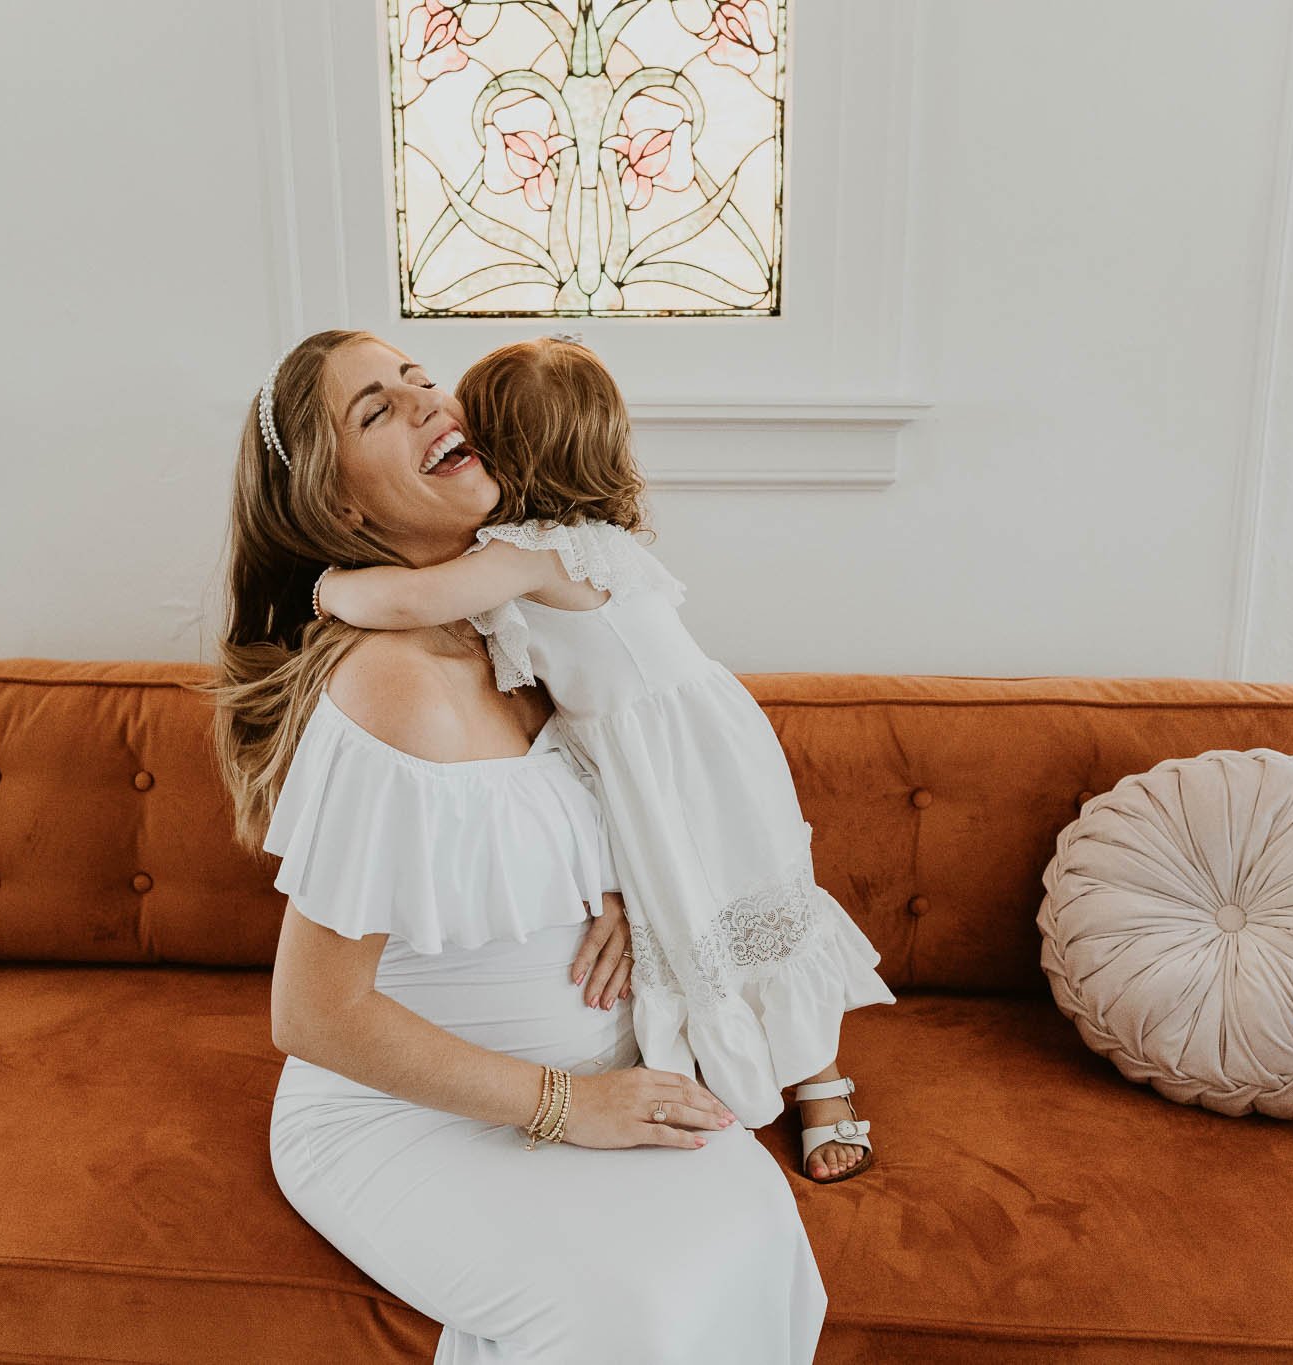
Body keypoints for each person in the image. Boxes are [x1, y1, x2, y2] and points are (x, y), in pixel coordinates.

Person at [205, 329, 827, 1362]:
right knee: (631, 1318)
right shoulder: (390, 684)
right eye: (375, 409)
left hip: (606, 1089)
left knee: (758, 1242)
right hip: (416, 1122)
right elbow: (313, 1014)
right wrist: (569, 1105)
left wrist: (621, 891)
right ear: (339, 505)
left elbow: (610, 798)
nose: (425, 400)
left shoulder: (519, 630)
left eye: (418, 377)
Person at [313, 336, 896, 1183]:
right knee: (728, 906)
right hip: (693, 752)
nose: (435, 411)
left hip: (677, 765)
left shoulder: (535, 551)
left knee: (746, 906)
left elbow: (410, 599)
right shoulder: (575, 548)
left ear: (508, 457)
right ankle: (787, 1071)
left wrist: (324, 587)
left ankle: (814, 1076)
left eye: (439, 395)